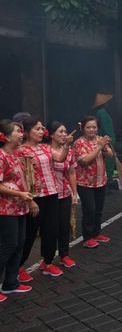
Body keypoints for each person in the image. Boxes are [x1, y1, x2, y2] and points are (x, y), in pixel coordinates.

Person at [16, 117, 70, 280]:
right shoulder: (21, 151)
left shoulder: (45, 148)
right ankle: (19, 266)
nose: (41, 132)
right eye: (37, 129)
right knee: (30, 233)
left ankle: (47, 262)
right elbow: (21, 177)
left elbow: (60, 158)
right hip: (35, 197)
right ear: (26, 132)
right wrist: (30, 200)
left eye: (42, 129)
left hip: (52, 193)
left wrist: (66, 145)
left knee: (51, 230)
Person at [0, 120, 34, 300]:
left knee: (19, 243)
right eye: (17, 132)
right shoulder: (1, 156)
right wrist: (20, 194)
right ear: (5, 136)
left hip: (19, 208)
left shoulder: (14, 155)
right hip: (5, 209)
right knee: (7, 246)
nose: (22, 135)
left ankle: (10, 283)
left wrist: (25, 197)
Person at [73, 116, 114, 250]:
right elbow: (84, 161)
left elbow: (110, 156)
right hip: (85, 183)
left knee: (98, 209)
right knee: (89, 209)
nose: (92, 130)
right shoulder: (79, 143)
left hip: (100, 180)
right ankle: (87, 237)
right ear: (82, 128)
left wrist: (104, 147)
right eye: (88, 127)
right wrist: (99, 147)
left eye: (94, 127)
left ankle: (97, 233)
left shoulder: (100, 139)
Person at [48, 122, 78, 269]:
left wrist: (74, 193)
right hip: (50, 194)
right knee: (52, 228)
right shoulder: (45, 150)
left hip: (64, 192)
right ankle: (47, 258)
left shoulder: (70, 151)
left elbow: (72, 172)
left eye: (65, 131)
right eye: (60, 132)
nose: (64, 134)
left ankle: (64, 255)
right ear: (51, 134)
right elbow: (58, 157)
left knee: (65, 225)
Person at [93, 93, 116, 180]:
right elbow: (106, 127)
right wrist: (109, 139)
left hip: (106, 139)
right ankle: (107, 180)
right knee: (108, 160)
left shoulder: (101, 112)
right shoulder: (102, 113)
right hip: (107, 140)